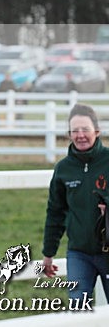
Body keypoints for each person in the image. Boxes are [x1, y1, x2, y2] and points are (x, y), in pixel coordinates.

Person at [42, 103, 109, 303]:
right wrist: (48, 253)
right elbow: (55, 212)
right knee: (78, 308)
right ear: (69, 134)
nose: (80, 135)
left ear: (96, 131)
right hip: (79, 254)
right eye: (75, 130)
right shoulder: (63, 169)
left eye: (85, 129)